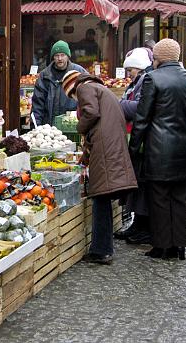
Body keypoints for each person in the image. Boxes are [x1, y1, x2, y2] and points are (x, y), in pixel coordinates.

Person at [128, 38, 186, 260]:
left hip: (159, 149)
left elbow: (142, 119)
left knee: (160, 198)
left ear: (159, 58)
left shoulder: (152, 79)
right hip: (184, 147)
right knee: (181, 198)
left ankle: (162, 246)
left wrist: (134, 148)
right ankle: (180, 246)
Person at [60, 70, 138, 265]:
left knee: (100, 198)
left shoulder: (84, 87)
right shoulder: (101, 89)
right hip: (111, 147)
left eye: (72, 96)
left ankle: (101, 251)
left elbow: (91, 114)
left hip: (105, 150)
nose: (75, 99)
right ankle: (102, 248)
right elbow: (98, 126)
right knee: (103, 198)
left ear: (72, 88)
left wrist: (80, 128)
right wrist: (85, 157)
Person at [114, 47, 153, 244]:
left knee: (141, 184)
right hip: (135, 138)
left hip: (142, 140)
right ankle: (137, 225)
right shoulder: (137, 82)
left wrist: (118, 104)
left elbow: (140, 108)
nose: (129, 73)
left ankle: (143, 228)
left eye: (131, 70)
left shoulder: (145, 81)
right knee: (136, 184)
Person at [31, 41, 86, 126]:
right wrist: (36, 127)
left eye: (63, 55)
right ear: (53, 57)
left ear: (68, 56)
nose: (60, 58)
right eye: (57, 55)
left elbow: (88, 99)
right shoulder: (44, 75)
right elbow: (37, 104)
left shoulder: (79, 73)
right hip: (48, 128)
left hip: (71, 125)